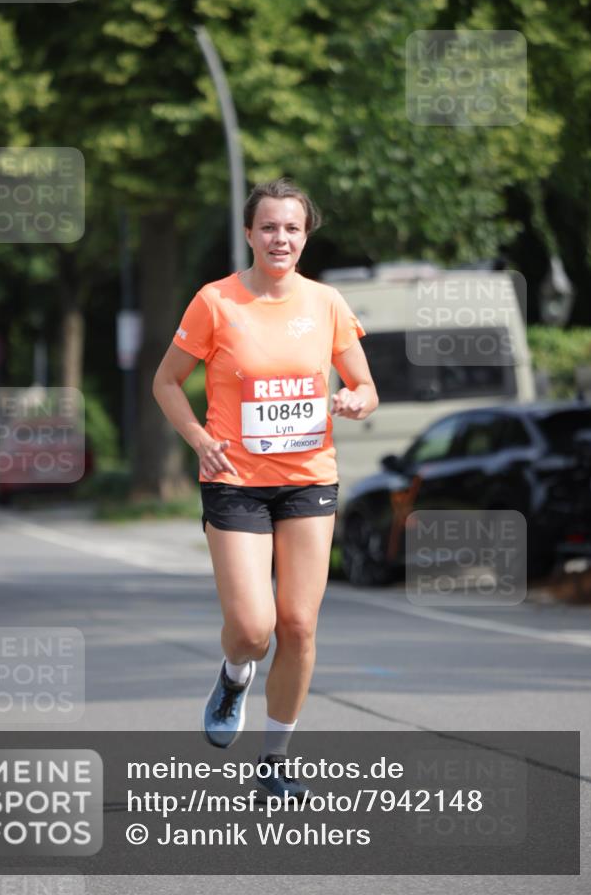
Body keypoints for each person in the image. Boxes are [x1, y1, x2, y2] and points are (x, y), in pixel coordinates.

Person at [153, 178, 378, 800]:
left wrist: (354, 400)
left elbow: (365, 385)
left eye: (293, 229)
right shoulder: (215, 302)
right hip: (235, 482)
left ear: (306, 237)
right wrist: (199, 438)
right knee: (254, 629)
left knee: (299, 625)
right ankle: (233, 675)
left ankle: (274, 764)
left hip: (308, 479)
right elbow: (167, 382)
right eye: (269, 227)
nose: (281, 238)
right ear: (250, 233)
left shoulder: (327, 303)